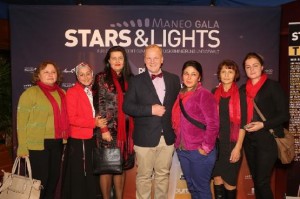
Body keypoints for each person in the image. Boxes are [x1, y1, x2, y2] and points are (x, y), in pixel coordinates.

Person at [123, 44, 181, 199]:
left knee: (163, 176)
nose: (152, 61)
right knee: (144, 177)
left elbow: (179, 107)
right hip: (144, 139)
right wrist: (150, 110)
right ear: (144, 60)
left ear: (162, 59)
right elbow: (127, 106)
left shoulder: (174, 79)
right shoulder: (136, 81)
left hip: (167, 137)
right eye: (148, 58)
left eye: (156, 57)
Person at [17, 61, 69, 199]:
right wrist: (22, 146)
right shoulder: (30, 93)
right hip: (37, 144)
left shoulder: (62, 93)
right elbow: (21, 122)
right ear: (38, 75)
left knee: (53, 181)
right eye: (46, 72)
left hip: (57, 142)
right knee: (40, 182)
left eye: (53, 72)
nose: (50, 75)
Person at [241, 52, 289, 199]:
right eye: (248, 67)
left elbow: (284, 115)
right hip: (249, 141)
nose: (252, 69)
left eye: (255, 66)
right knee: (257, 180)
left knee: (262, 181)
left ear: (262, 67)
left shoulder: (272, 86)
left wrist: (263, 124)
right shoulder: (242, 89)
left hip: (268, 140)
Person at [171, 60, 219, 199]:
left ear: (199, 77)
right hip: (183, 150)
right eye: (186, 73)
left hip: (200, 150)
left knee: (201, 188)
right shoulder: (180, 95)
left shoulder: (204, 95)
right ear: (182, 75)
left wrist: (205, 147)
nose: (189, 77)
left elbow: (213, 124)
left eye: (193, 74)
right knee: (192, 187)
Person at [93, 46, 134, 199]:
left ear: (124, 61)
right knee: (107, 168)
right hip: (108, 130)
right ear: (108, 61)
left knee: (120, 167)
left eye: (120, 58)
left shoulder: (131, 79)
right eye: (114, 58)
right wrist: (103, 130)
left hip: (127, 132)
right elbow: (98, 104)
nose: (117, 61)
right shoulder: (101, 77)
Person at [62, 62, 106, 199]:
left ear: (92, 74)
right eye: (81, 74)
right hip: (78, 139)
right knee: (79, 174)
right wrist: (94, 123)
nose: (85, 77)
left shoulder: (94, 91)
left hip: (91, 137)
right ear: (77, 76)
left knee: (90, 173)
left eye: (88, 73)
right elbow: (71, 118)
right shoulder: (72, 92)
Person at [212, 60, 247, 199]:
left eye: (230, 71)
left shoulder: (241, 95)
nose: (226, 75)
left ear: (235, 75)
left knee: (230, 183)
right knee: (217, 179)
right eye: (223, 71)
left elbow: (243, 123)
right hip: (217, 146)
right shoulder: (214, 92)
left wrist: (238, 148)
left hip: (233, 145)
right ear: (219, 74)